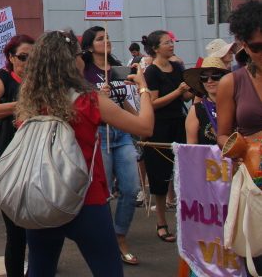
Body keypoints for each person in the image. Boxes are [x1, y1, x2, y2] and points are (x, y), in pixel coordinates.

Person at [17, 30, 154, 277]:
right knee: (108, 270)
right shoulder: (88, 100)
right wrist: (143, 88)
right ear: (72, 61)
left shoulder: (30, 102)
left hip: (42, 197)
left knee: (40, 268)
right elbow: (145, 127)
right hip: (86, 199)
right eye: (80, 55)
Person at [81, 26, 141, 265]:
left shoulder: (118, 69)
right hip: (98, 133)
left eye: (107, 37)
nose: (106, 41)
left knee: (130, 188)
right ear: (88, 46)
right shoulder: (84, 71)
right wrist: (98, 95)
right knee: (102, 193)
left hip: (122, 133)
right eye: (99, 38)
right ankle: (104, 237)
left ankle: (119, 235)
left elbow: (130, 105)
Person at [0, 33, 34, 277]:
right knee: (16, 231)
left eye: (34, 58)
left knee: (38, 225)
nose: (28, 63)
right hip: (8, 163)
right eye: (23, 57)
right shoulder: (1, 78)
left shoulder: (39, 80)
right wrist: (26, 103)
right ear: (11, 57)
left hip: (37, 160)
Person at [217, 0, 262, 274]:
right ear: (243, 45)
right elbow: (223, 135)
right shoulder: (230, 83)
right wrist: (244, 148)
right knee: (257, 258)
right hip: (255, 185)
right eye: (257, 47)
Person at [141, 30, 192, 242]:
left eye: (171, 41)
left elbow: (187, 95)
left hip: (180, 123)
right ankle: (161, 222)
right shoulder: (151, 72)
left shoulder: (178, 67)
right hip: (159, 127)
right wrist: (178, 92)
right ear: (155, 48)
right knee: (160, 177)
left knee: (182, 175)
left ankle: (187, 222)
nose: (171, 45)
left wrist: (196, 88)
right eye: (166, 42)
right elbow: (152, 103)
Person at [183, 57, 228, 145]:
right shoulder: (196, 110)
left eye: (215, 76)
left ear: (225, 78)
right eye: (204, 77)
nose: (209, 81)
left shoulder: (237, 104)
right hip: (207, 158)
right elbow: (191, 147)